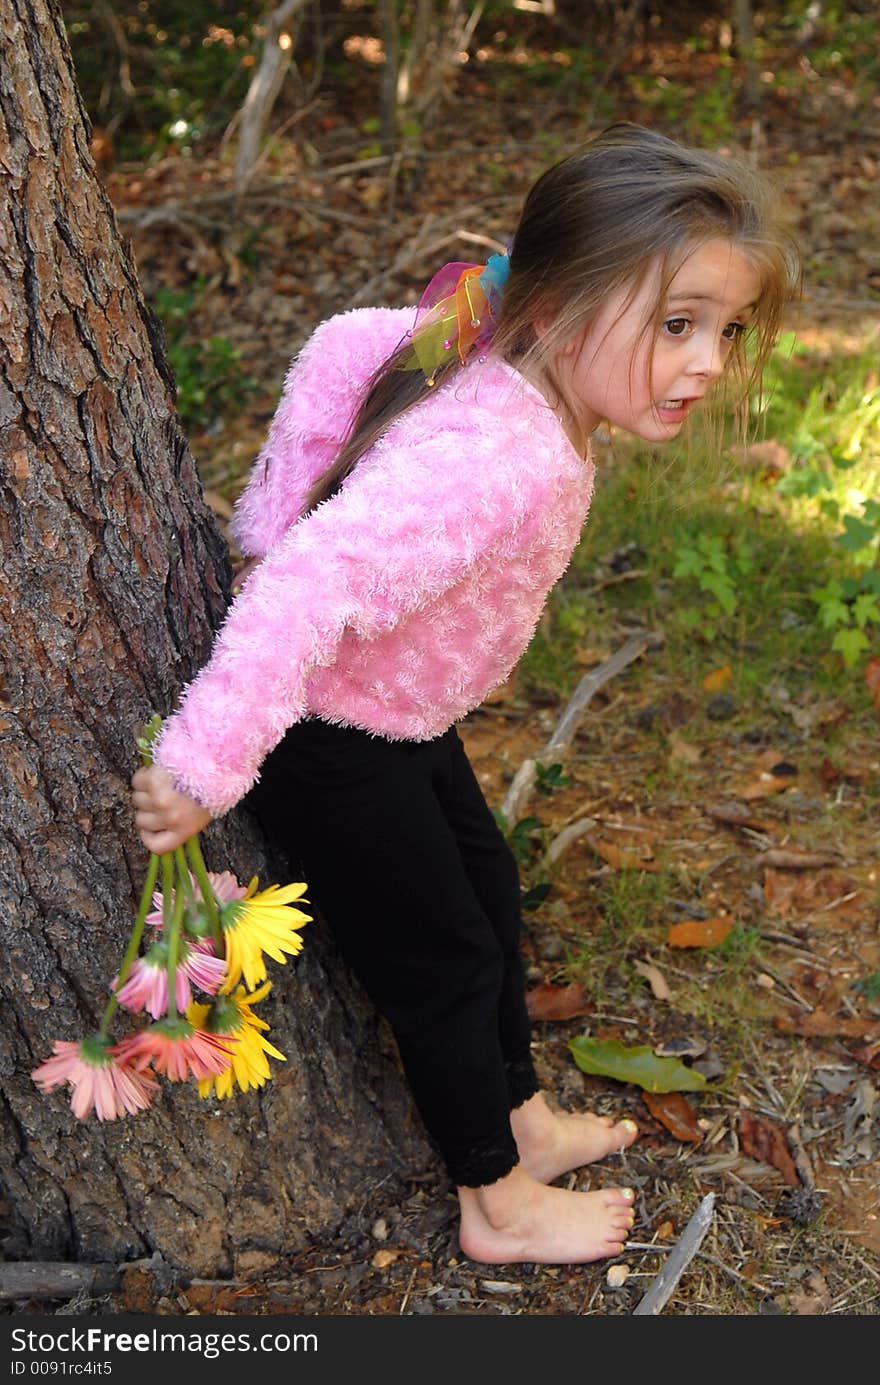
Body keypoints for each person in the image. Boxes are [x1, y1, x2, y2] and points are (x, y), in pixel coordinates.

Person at [131, 123, 799, 1266]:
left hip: (397, 714)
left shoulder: (514, 390)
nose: (706, 362)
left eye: (723, 331)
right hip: (328, 732)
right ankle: (491, 1195)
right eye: (677, 324)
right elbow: (307, 584)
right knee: (443, 954)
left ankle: (520, 1116)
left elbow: (352, 344)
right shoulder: (497, 454)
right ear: (553, 304)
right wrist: (204, 762)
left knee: (488, 894)